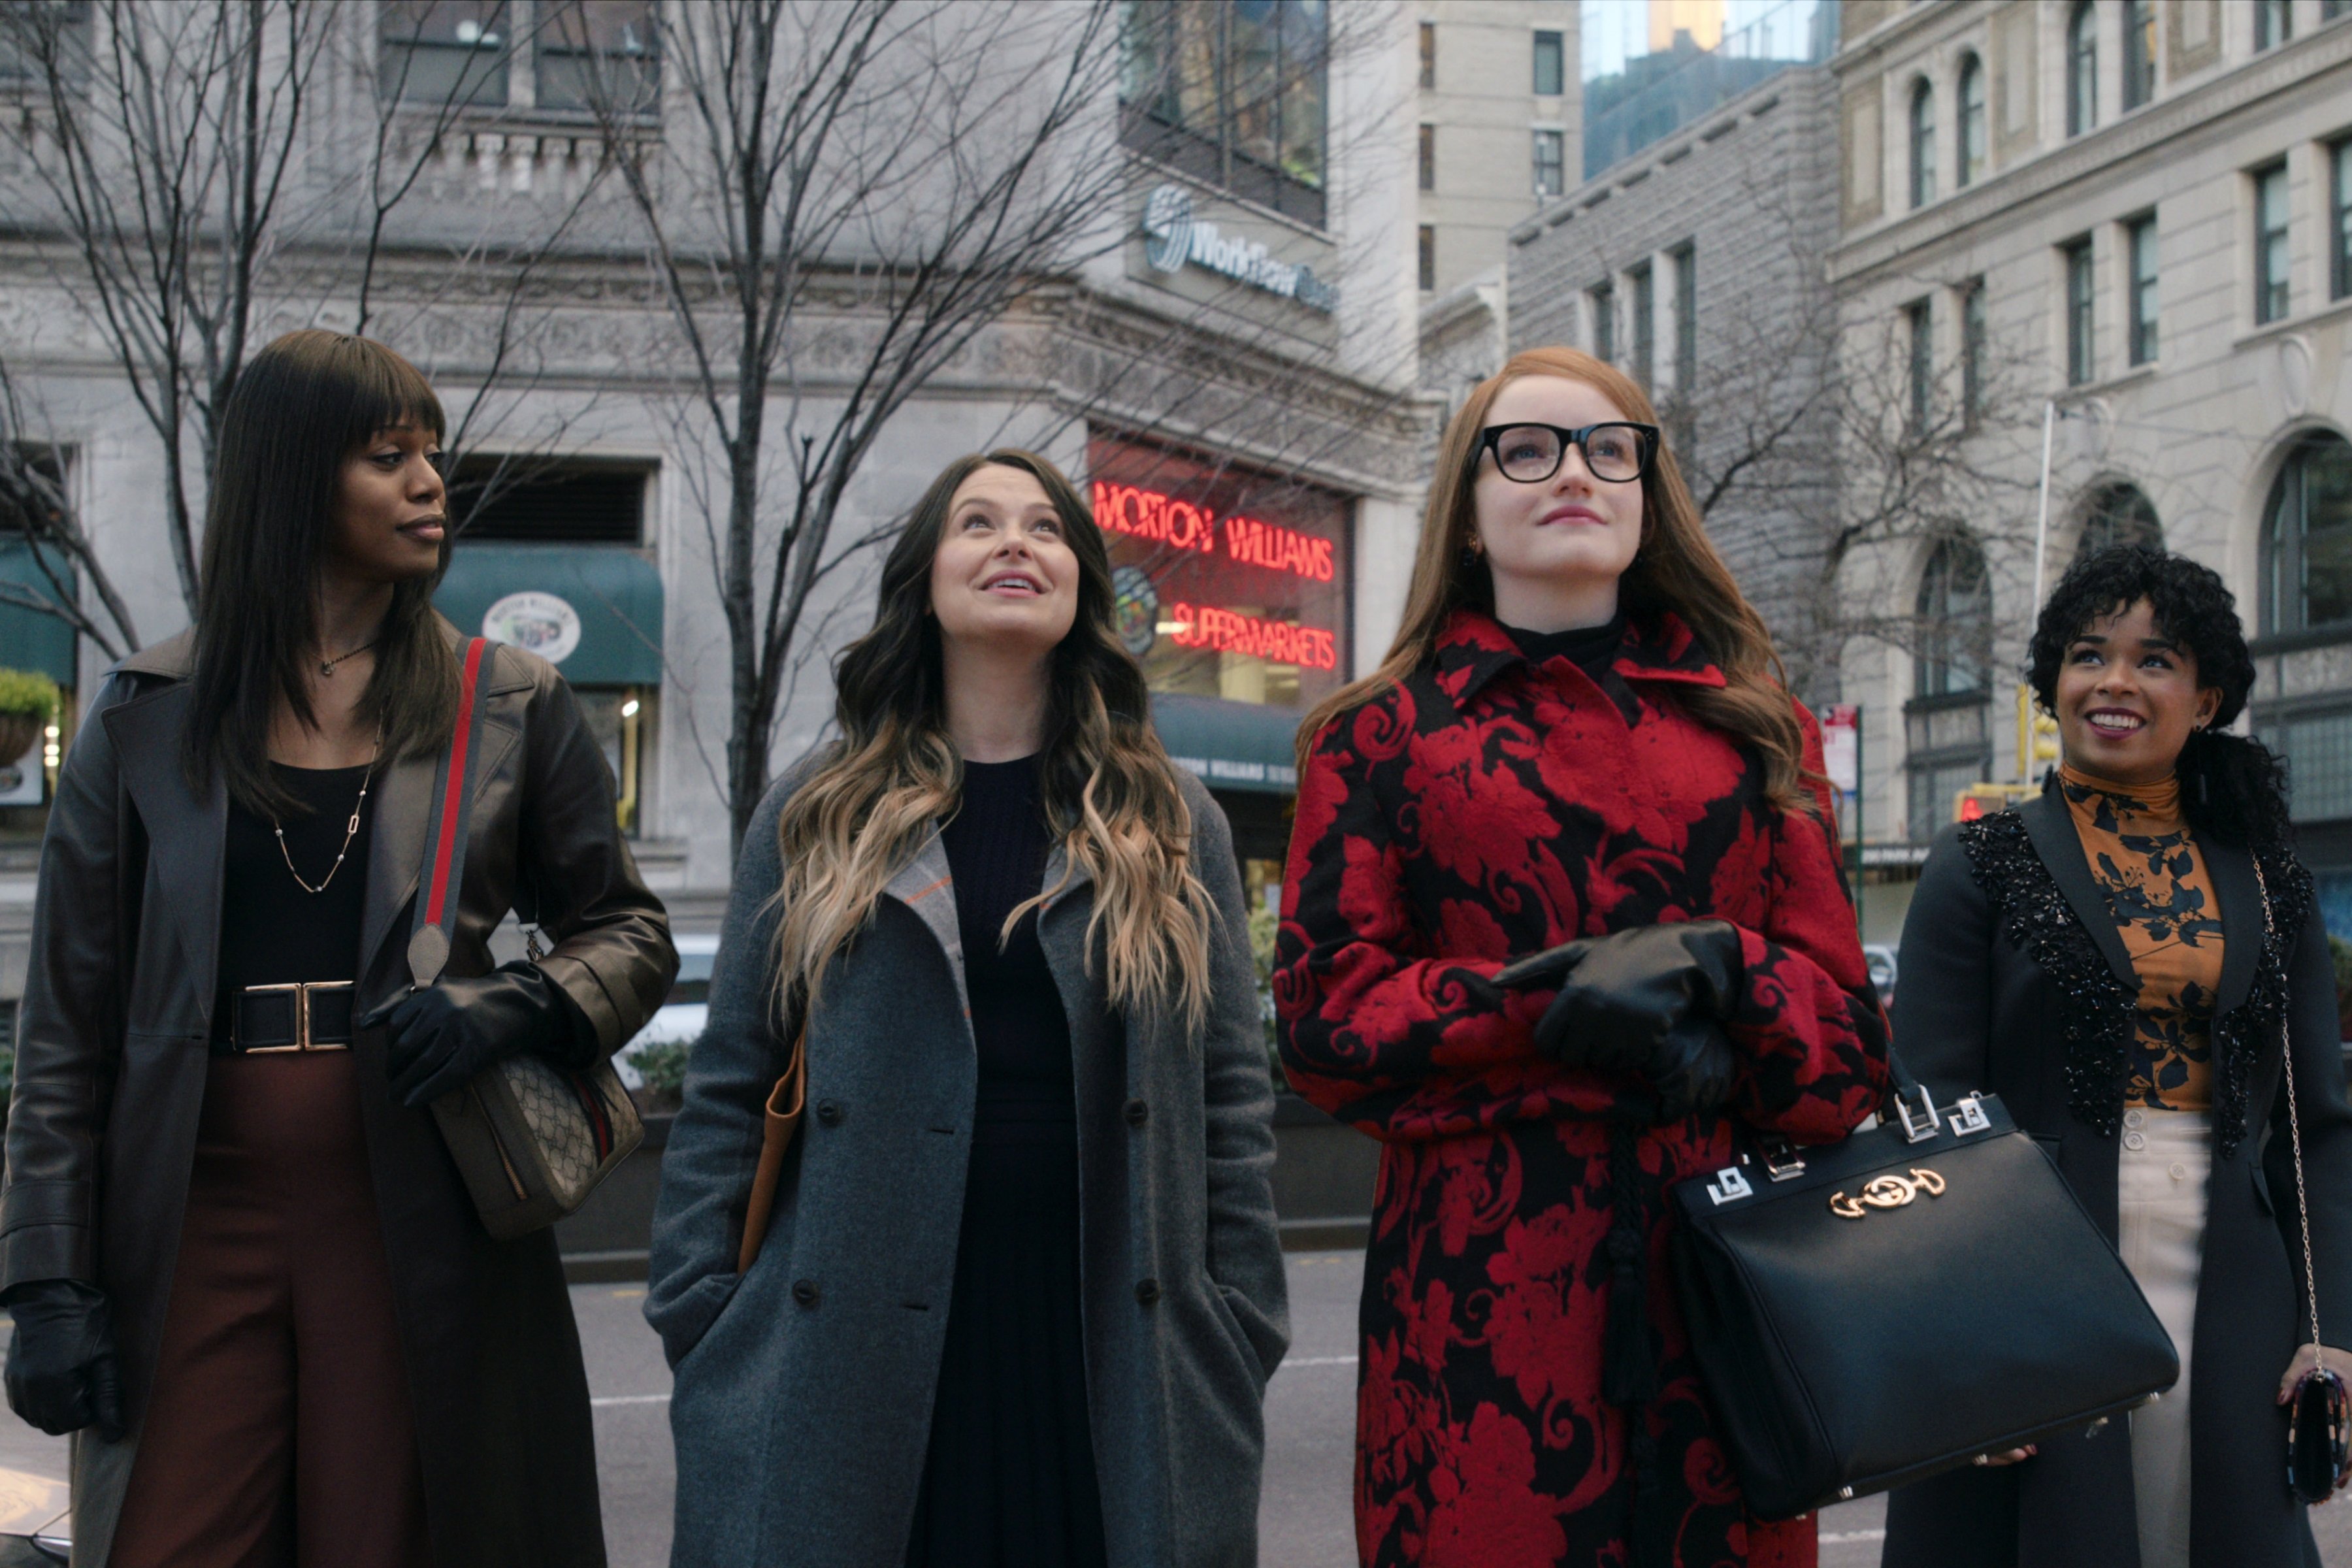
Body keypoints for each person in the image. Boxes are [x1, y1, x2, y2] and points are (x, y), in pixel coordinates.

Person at [0, 329, 678, 1568]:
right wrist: (43, 1281)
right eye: (387, 456)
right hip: (192, 1208)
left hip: (417, 1197)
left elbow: (631, 932)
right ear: (291, 478)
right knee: (167, 1537)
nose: (431, 483)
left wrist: (519, 1005)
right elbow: (65, 1030)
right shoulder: (149, 715)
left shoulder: (507, 698)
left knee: (390, 1536)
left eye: (432, 454)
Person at [1275, 345, 1889, 1568]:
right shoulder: (1377, 736)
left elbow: (1849, 1066)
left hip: (1728, 1308)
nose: (1575, 474)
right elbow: (1326, 1029)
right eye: (1529, 448)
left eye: (1612, 450)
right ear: (1469, 503)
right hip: (1476, 1318)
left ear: (1648, 492)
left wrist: (1725, 971)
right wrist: (1547, 1010)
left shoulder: (1753, 728)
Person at [648, 448, 1287, 1568]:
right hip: (844, 1329)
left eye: (1044, 527)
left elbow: (1231, 1096)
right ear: (926, 577)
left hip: (1111, 1332)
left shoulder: (1170, 818)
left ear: (1081, 580)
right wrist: (702, 1310)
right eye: (977, 523)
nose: (1014, 544)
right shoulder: (819, 809)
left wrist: (1236, 1319)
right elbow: (732, 1080)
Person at [1880, 546, 2352, 1568]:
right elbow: (1929, 1114)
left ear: (2208, 694)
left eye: (2155, 661)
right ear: (2052, 680)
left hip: (2232, 1267)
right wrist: (1967, 1338)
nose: (2116, 683)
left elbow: (2316, 1127)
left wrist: (2331, 1326)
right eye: (2089, 655)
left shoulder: (2272, 879)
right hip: (2031, 1263)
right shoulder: (1979, 864)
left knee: (2211, 1529)